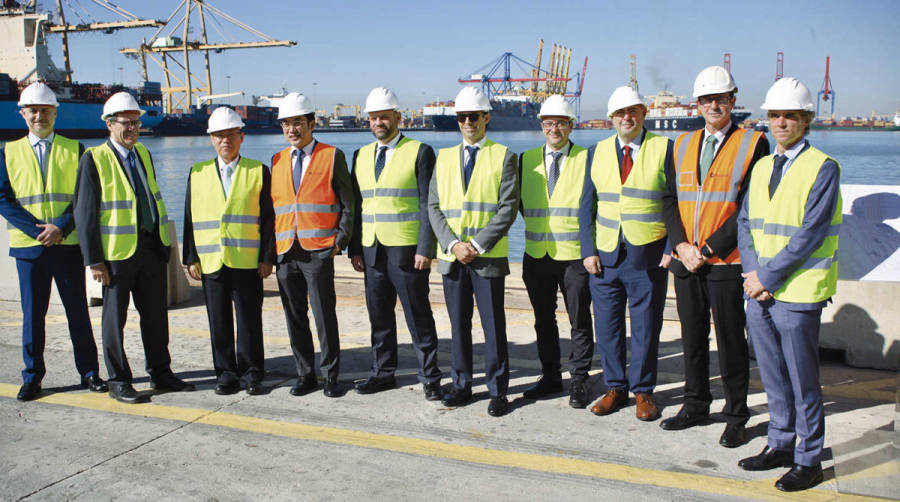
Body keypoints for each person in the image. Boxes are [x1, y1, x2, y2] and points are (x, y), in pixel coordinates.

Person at [736, 77, 841, 492]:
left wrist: (766, 276)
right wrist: (751, 274)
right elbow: (746, 222)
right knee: (772, 374)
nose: (781, 122)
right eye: (775, 115)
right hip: (759, 289)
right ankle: (780, 443)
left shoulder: (823, 167)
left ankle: (808, 457)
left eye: (790, 116)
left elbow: (811, 233)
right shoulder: (762, 165)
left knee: (803, 379)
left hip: (797, 292)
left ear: (806, 120)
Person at [659, 66, 769, 447]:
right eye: (707, 99)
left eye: (721, 99)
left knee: (730, 342)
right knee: (692, 338)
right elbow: (670, 199)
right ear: (698, 104)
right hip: (686, 260)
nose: (714, 106)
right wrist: (682, 247)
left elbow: (746, 207)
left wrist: (706, 250)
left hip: (727, 262)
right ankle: (695, 403)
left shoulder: (753, 143)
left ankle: (736, 414)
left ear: (733, 101)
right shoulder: (682, 144)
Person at [73, 91, 194, 404]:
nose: (132, 129)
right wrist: (94, 260)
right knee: (115, 320)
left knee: (155, 316)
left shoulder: (143, 154)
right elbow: (84, 212)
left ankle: (161, 372)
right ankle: (118, 380)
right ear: (109, 125)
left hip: (151, 249)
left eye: (136, 122)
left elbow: (151, 197)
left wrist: (164, 246)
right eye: (126, 123)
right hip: (115, 256)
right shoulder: (94, 159)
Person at [0, 82, 106, 401]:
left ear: (55, 113)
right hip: (30, 248)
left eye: (45, 110)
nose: (39, 116)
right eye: (33, 110)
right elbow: (3, 198)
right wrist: (38, 231)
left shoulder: (76, 150)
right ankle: (32, 377)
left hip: (68, 244)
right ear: (23, 114)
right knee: (33, 316)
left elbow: (84, 197)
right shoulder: (8, 152)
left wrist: (60, 226)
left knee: (77, 312)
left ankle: (89, 372)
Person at [579, 86, 673, 421]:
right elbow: (586, 205)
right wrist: (587, 250)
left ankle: (644, 392)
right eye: (619, 113)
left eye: (632, 111)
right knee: (607, 328)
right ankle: (615, 387)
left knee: (646, 327)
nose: (626, 118)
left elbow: (676, 203)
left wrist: (670, 247)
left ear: (644, 113)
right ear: (611, 118)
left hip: (648, 256)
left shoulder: (664, 149)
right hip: (605, 257)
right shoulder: (597, 152)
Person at [427, 86, 518, 417]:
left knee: (493, 325)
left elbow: (507, 208)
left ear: (486, 118)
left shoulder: (504, 156)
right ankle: (461, 384)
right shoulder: (445, 157)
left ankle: (498, 390)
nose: (467, 122)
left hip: (487, 257)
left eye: (473, 116)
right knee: (458, 325)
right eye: (462, 117)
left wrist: (476, 246)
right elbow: (434, 206)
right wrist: (453, 245)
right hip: (453, 259)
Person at [349, 87, 442, 400]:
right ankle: (382, 373)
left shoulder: (420, 151)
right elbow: (357, 205)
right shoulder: (361, 156)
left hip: (407, 250)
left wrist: (426, 249)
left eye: (384, 117)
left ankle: (430, 377)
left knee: (418, 316)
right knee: (379, 317)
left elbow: (429, 204)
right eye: (373, 117)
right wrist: (355, 248)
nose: (378, 122)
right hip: (372, 250)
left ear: (398, 118)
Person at [182, 107, 275, 396]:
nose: (226, 141)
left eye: (231, 135)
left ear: (241, 137)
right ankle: (225, 372)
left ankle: (252, 372)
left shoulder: (258, 171)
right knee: (218, 320)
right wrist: (190, 257)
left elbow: (269, 218)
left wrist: (266, 257)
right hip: (211, 259)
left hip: (247, 259)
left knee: (249, 319)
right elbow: (189, 216)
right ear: (211, 139)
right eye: (219, 135)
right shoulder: (197, 173)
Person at [271, 92, 353, 398]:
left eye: (298, 123)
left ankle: (331, 375)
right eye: (286, 124)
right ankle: (304, 374)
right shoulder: (277, 160)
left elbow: (348, 204)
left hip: (318, 249)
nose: (292, 129)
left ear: (311, 123)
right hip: (285, 251)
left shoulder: (332, 156)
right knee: (295, 317)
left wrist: (339, 241)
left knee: (323, 315)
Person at [518, 95, 593, 409]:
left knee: (579, 320)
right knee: (543, 320)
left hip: (574, 255)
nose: (554, 129)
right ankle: (550, 376)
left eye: (560, 123)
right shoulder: (526, 160)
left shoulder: (587, 159)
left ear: (570, 125)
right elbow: (519, 204)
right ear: (541, 126)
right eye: (548, 123)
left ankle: (579, 380)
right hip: (537, 254)